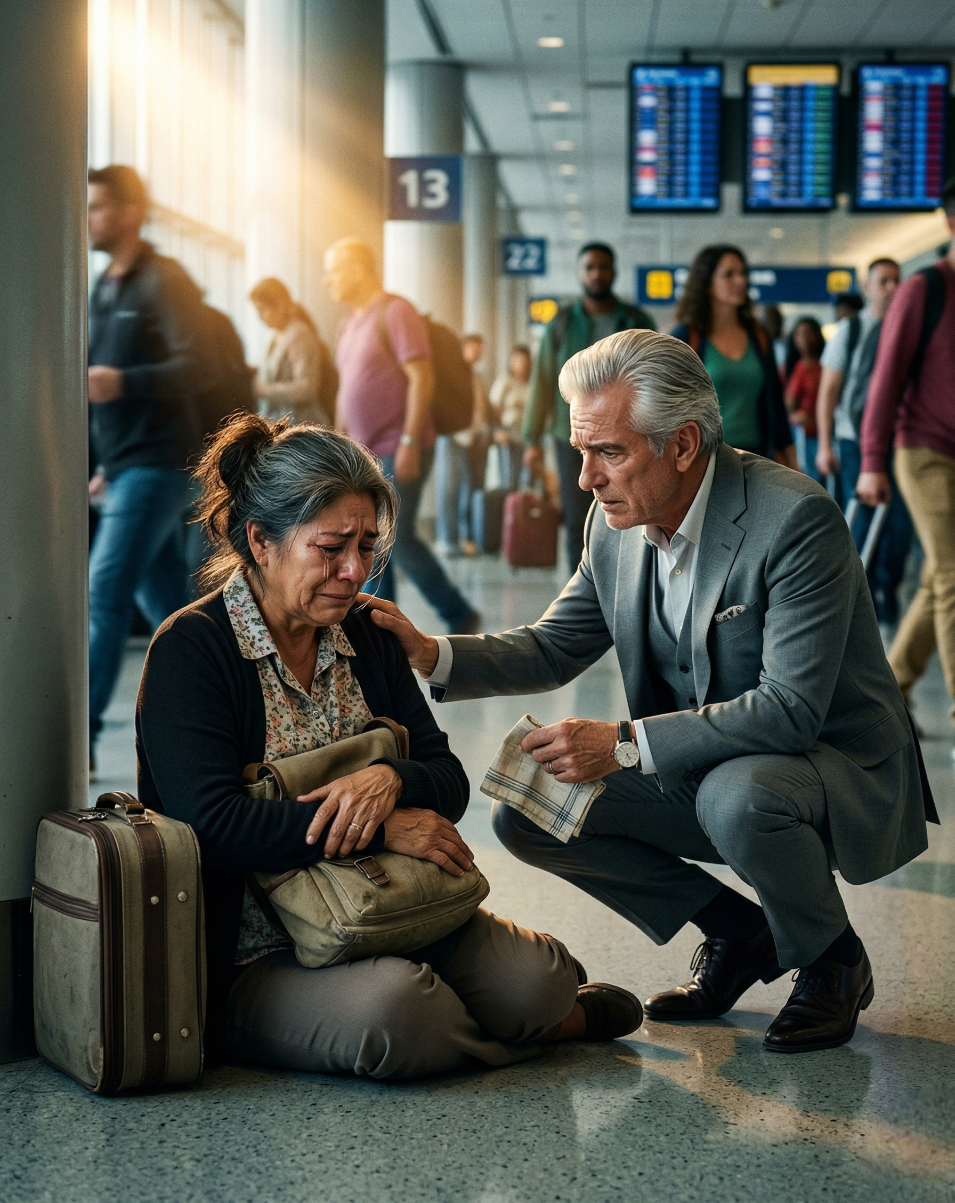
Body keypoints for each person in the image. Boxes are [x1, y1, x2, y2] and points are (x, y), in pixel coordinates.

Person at [368, 331, 936, 1056]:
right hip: (708, 767)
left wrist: (624, 744)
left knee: (737, 794)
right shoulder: (615, 525)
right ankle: (742, 933)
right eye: (582, 452)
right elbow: (552, 646)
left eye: (608, 452)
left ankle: (831, 960)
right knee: (533, 807)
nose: (585, 479)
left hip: (829, 770)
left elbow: (789, 711)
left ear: (683, 444)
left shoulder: (792, 520)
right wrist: (429, 652)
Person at [135, 415, 642, 1078]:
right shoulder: (193, 650)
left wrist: (389, 782)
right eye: (331, 548)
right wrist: (379, 829)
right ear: (261, 540)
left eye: (367, 547)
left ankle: (536, 1009)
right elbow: (215, 828)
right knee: (399, 1017)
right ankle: (547, 1028)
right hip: (258, 953)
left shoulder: (365, 634)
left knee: (537, 980)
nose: (354, 572)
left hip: (392, 909)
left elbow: (446, 778)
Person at [87, 165, 211, 762]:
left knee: (103, 592)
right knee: (166, 604)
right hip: (126, 465)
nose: (90, 218)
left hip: (159, 463)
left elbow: (199, 366)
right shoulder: (104, 286)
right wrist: (105, 464)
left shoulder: (164, 279)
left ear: (131, 212)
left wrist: (124, 381)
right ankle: (226, 702)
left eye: (100, 207)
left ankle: (75, 735)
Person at [323, 237, 479, 634]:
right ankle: (382, 624)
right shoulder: (348, 323)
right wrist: (339, 444)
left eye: (334, 270)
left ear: (359, 268)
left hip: (399, 446)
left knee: (393, 539)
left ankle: (447, 614)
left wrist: (410, 441)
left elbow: (420, 377)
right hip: (362, 454)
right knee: (377, 541)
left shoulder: (395, 311)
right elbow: (347, 388)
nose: (328, 281)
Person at [858, 185, 955, 740]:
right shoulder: (926, 289)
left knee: (943, 576)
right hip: (923, 450)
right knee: (952, 572)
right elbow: (886, 376)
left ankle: (892, 686)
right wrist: (871, 459)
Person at [522, 242, 656, 573]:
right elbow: (542, 381)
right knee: (577, 520)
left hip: (626, 435)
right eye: (590, 267)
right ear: (580, 274)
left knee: (630, 513)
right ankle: (580, 599)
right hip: (573, 437)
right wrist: (531, 440)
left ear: (614, 272)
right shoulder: (562, 323)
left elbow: (652, 378)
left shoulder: (635, 319)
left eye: (604, 267)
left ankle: (626, 588)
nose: (597, 274)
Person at [816, 258, 911, 626]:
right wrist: (825, 445)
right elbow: (829, 391)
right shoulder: (850, 330)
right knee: (863, 521)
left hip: (898, 442)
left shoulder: (908, 329)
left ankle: (888, 589)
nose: (891, 288)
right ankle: (862, 597)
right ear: (868, 287)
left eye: (896, 281)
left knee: (900, 525)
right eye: (883, 281)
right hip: (854, 440)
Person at [671, 245, 797, 469]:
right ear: (707, 284)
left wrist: (790, 457)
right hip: (704, 458)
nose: (740, 281)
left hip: (757, 457)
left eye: (743, 273)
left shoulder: (758, 336)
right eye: (729, 274)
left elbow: (775, 401)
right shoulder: (687, 337)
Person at [250, 277, 334, 426]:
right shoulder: (276, 335)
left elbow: (306, 388)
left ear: (281, 306)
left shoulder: (299, 335)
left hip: (301, 425)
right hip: (284, 421)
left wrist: (264, 390)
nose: (260, 317)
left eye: (263, 309)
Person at [435, 333, 491, 557]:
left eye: (480, 349)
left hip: (473, 438)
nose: (477, 353)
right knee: (449, 489)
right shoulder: (452, 374)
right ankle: (447, 539)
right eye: (473, 348)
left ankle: (464, 538)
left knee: (468, 489)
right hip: (453, 436)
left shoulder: (474, 375)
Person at [784, 317, 825, 482]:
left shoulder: (825, 365)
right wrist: (794, 417)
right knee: (809, 480)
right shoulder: (798, 368)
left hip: (825, 433)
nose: (805, 339)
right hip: (805, 435)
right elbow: (789, 403)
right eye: (800, 335)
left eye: (809, 334)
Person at [489, 344, 533, 491]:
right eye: (518, 360)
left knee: (528, 479)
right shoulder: (504, 382)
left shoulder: (531, 383)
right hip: (508, 435)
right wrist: (497, 430)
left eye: (524, 360)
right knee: (508, 479)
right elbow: (493, 409)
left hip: (527, 436)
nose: (522, 364)